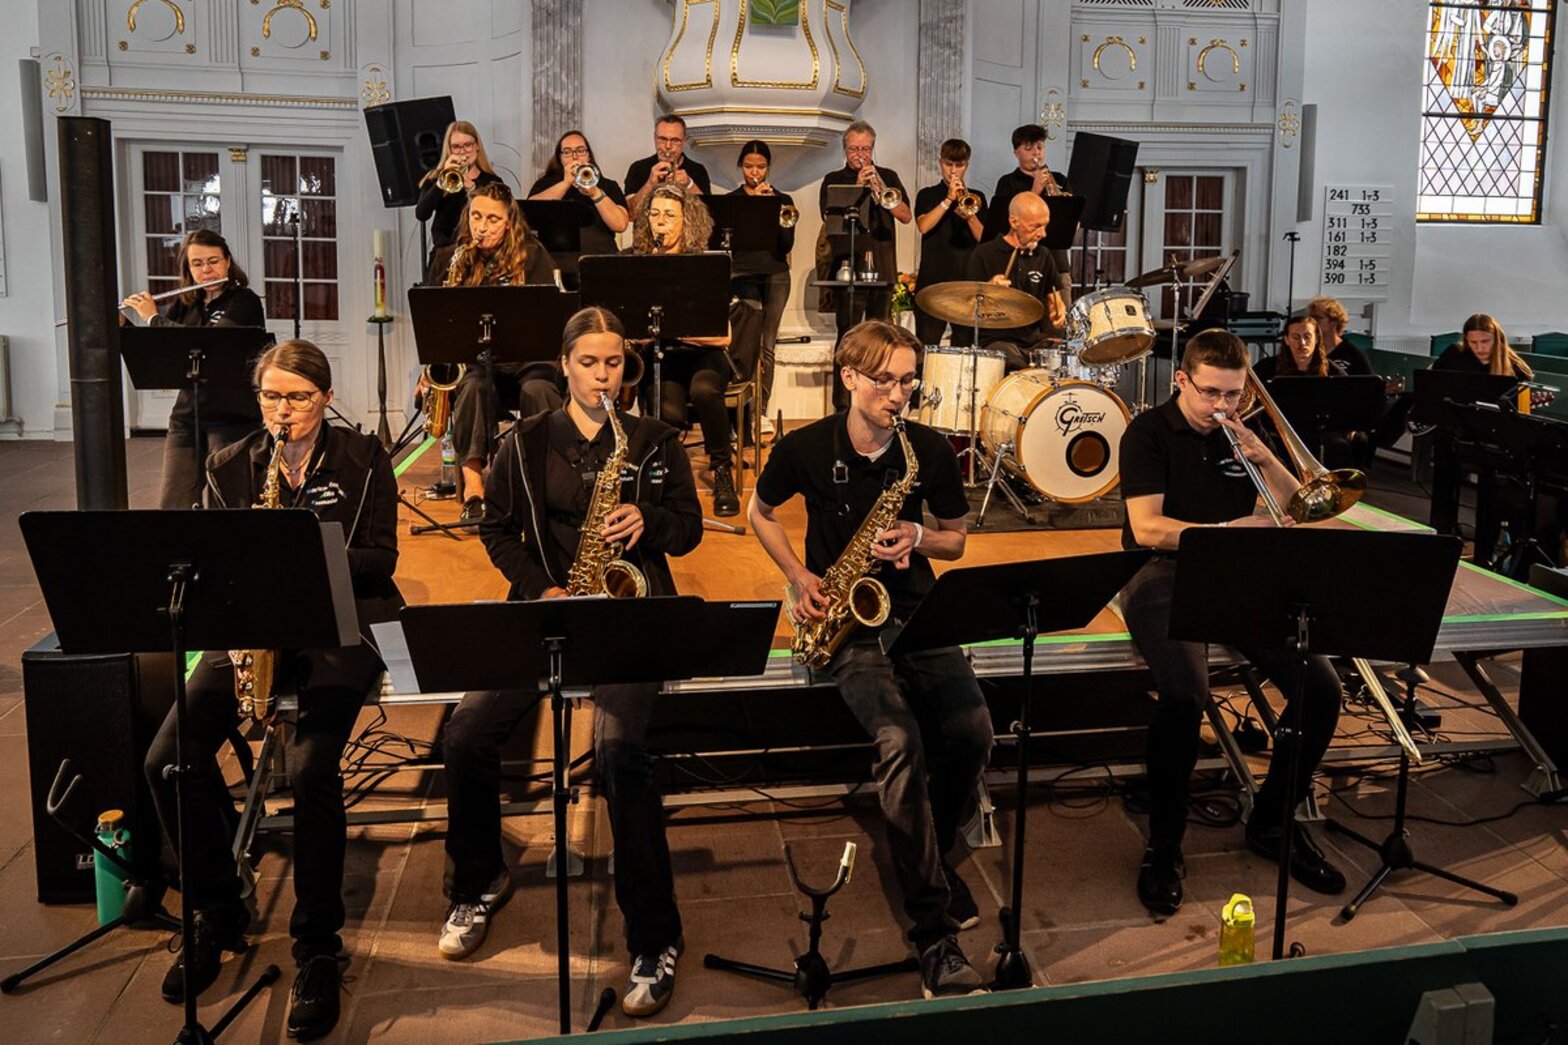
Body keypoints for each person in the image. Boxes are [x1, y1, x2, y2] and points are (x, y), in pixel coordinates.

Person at [443, 306, 702, 1019]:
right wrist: (541, 588)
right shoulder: (524, 441)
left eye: (614, 363)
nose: (602, 376)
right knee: (465, 732)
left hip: (628, 614)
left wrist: (652, 521)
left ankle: (655, 936)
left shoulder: (653, 440)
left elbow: (689, 530)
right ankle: (476, 881)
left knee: (620, 752)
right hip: (548, 609)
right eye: (589, 363)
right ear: (565, 365)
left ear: (627, 366)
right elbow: (495, 527)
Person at [142, 339, 402, 1040]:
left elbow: (382, 556)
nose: (282, 410)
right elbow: (209, 564)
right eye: (271, 396)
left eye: (297, 396)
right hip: (250, 631)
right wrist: (228, 625)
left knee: (313, 767)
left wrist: (310, 551)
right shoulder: (230, 466)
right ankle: (218, 908)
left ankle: (318, 946)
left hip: (338, 624)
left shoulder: (361, 457)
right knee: (166, 758)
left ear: (324, 397)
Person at [747, 320, 992, 1000]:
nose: (898, 393)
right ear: (848, 376)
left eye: (908, 380)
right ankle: (934, 933)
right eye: (884, 379)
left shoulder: (928, 451)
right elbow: (758, 512)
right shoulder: (802, 446)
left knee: (974, 731)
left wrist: (920, 534)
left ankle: (928, 850)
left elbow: (958, 541)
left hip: (917, 609)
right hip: (846, 624)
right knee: (899, 738)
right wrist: (798, 575)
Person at [1117, 328, 1346, 917]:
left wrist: (1265, 454)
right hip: (1161, 572)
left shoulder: (1244, 432)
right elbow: (1146, 527)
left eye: (1236, 395)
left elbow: (1306, 507)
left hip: (1238, 573)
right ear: (1182, 381)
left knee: (1321, 688)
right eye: (1212, 394)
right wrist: (1221, 536)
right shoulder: (1146, 433)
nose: (1223, 406)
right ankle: (1164, 846)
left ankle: (1272, 822)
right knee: (1184, 694)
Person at [426, 181, 560, 521]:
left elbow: (548, 319)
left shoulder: (534, 254)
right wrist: (430, 368)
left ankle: (545, 483)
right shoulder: (452, 258)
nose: (481, 228)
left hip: (529, 360)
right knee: (472, 387)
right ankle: (474, 488)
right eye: (476, 217)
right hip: (480, 363)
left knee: (539, 389)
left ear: (509, 221)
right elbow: (439, 325)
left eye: (492, 220)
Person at [121, 229, 268, 510]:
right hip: (187, 417)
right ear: (188, 269)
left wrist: (152, 317)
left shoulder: (243, 301)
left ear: (227, 261)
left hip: (233, 417)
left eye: (213, 261)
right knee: (173, 502)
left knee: (226, 503)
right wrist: (123, 324)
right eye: (197, 264)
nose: (206, 270)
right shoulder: (186, 302)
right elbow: (160, 349)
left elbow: (212, 346)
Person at [629, 182, 743, 517]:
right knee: (669, 413)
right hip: (663, 357)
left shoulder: (705, 266)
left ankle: (721, 470)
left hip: (703, 355)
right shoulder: (638, 265)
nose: (660, 221)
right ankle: (664, 479)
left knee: (706, 390)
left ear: (686, 221)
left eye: (669, 215)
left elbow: (723, 338)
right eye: (654, 214)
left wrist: (678, 329)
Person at [1428, 313, 1535, 538]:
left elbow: (1523, 410)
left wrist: (1524, 403)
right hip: (1456, 432)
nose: (1479, 348)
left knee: (1492, 470)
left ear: (1497, 339)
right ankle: (1441, 529)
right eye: (1473, 342)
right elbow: (1434, 385)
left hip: (1492, 439)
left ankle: (1487, 539)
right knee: (1444, 448)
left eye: (1485, 342)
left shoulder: (1514, 367)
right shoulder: (1455, 355)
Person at [819, 121, 913, 340]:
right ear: (845, 150)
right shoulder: (833, 180)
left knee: (880, 336)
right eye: (854, 149)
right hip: (848, 267)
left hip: (882, 265)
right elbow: (827, 217)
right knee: (848, 334)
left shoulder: (888, 177)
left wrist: (880, 191)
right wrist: (859, 187)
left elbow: (906, 216)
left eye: (865, 149)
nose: (860, 154)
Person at [728, 139, 795, 423]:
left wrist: (770, 210)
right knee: (746, 344)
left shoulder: (782, 201)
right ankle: (741, 414)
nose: (754, 173)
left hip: (776, 275)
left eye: (760, 167)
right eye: (748, 166)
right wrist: (752, 210)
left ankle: (760, 412)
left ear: (768, 168)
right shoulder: (732, 201)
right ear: (740, 167)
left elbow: (786, 244)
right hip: (743, 275)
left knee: (769, 344)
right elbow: (731, 244)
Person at [1253, 314, 1370, 470]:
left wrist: (1351, 426)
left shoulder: (1332, 370)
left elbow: (1348, 401)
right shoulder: (1266, 368)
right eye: (1295, 337)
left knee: (1347, 444)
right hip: (1280, 429)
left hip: (1321, 429)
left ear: (1316, 339)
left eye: (1307, 337)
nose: (1302, 343)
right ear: (1287, 340)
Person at [965, 193, 1068, 372]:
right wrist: (988, 291)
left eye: (1045, 226)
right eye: (1035, 227)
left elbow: (1055, 298)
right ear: (1014, 222)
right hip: (998, 342)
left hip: (1035, 342)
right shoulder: (984, 254)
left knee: (1064, 358)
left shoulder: (1043, 255)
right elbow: (965, 306)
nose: (1043, 234)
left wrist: (1059, 311)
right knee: (1008, 359)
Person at [527, 130, 630, 288]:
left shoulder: (608, 186)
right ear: (560, 158)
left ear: (589, 156)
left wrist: (595, 192)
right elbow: (530, 214)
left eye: (580, 151)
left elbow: (620, 224)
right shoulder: (545, 184)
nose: (575, 157)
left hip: (599, 264)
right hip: (555, 267)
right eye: (567, 152)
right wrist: (565, 183)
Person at [983, 124, 1073, 303]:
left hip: (1057, 263)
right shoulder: (1007, 183)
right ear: (1016, 152)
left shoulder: (1060, 180)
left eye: (1039, 147)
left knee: (1060, 322)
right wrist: (1036, 189)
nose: (1036, 153)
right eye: (1029, 148)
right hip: (1020, 263)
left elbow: (1073, 221)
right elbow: (1005, 223)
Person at [912, 138, 986, 348]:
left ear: (966, 166)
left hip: (966, 283)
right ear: (940, 163)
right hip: (932, 282)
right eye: (948, 164)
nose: (953, 171)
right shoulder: (927, 194)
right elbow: (924, 226)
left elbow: (984, 238)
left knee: (964, 347)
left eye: (959, 165)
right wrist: (947, 200)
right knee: (927, 346)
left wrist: (970, 215)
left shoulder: (977, 197)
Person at [414, 121, 505, 259]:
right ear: (449, 149)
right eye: (456, 147)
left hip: (482, 255)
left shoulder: (492, 182)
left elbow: (500, 218)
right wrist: (440, 183)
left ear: (477, 146)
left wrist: (472, 189)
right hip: (445, 253)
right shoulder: (436, 178)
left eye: (467, 145)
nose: (462, 151)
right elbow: (421, 214)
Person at [624, 114, 712, 215]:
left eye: (675, 140)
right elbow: (630, 214)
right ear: (654, 138)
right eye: (662, 139)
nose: (668, 146)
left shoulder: (697, 170)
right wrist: (650, 184)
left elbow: (707, 215)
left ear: (683, 141)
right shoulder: (638, 168)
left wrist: (690, 185)